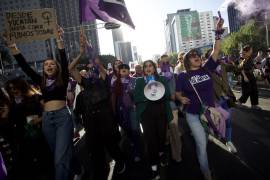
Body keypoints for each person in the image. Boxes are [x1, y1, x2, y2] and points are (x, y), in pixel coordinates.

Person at [5, 26, 74, 180]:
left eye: (52, 64)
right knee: (58, 153)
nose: (49, 65)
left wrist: (59, 40)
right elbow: (25, 67)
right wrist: (13, 47)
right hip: (47, 120)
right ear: (43, 69)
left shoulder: (63, 80)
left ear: (57, 68)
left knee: (60, 159)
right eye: (46, 64)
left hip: (63, 118)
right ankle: (76, 167)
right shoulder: (40, 81)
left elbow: (64, 59)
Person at [69, 28, 126, 180]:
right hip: (89, 118)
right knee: (94, 147)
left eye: (93, 67)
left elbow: (97, 62)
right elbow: (70, 68)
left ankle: (120, 161)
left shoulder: (103, 78)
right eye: (89, 67)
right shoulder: (84, 81)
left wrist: (88, 46)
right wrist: (81, 53)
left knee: (111, 143)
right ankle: (101, 169)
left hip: (105, 116)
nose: (91, 68)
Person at [175, 16, 224, 180]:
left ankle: (208, 132)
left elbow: (216, 51)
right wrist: (181, 99)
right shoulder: (182, 76)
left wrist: (218, 31)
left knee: (215, 132)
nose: (197, 56)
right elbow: (177, 93)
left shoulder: (206, 68)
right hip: (193, 114)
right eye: (192, 55)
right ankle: (205, 170)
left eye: (198, 54)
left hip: (210, 111)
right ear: (187, 61)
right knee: (201, 144)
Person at [134, 60, 173, 179]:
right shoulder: (139, 81)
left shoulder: (161, 79)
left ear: (154, 68)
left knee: (161, 137)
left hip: (161, 113)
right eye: (145, 66)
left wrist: (159, 91)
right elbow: (136, 97)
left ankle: (161, 152)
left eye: (150, 66)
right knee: (151, 141)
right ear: (143, 69)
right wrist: (148, 95)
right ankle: (154, 167)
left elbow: (168, 94)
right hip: (147, 115)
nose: (148, 68)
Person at [112, 64, 141, 162]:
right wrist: (114, 110)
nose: (124, 70)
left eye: (126, 69)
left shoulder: (135, 81)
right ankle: (133, 141)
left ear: (129, 71)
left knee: (135, 129)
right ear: (119, 72)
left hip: (133, 109)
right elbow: (113, 97)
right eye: (122, 69)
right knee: (127, 129)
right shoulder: (115, 83)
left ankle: (137, 150)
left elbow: (139, 94)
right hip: (121, 110)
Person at [237, 45, 261, 109]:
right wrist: (244, 77)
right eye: (251, 50)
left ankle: (254, 105)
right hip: (245, 75)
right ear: (247, 51)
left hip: (251, 75)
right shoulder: (242, 57)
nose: (252, 51)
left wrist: (257, 63)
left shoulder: (250, 57)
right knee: (247, 90)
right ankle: (239, 102)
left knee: (254, 90)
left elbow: (254, 65)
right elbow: (240, 68)